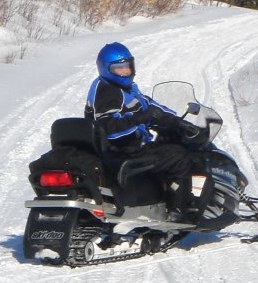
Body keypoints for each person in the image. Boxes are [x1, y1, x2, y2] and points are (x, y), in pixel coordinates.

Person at [84, 41, 196, 223]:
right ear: (106, 69)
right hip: (120, 151)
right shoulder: (108, 91)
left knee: (164, 149)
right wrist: (142, 118)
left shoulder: (126, 89)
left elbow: (150, 105)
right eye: (119, 69)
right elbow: (109, 129)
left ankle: (157, 198)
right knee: (178, 157)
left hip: (127, 149)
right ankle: (178, 212)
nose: (125, 72)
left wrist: (177, 122)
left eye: (127, 67)